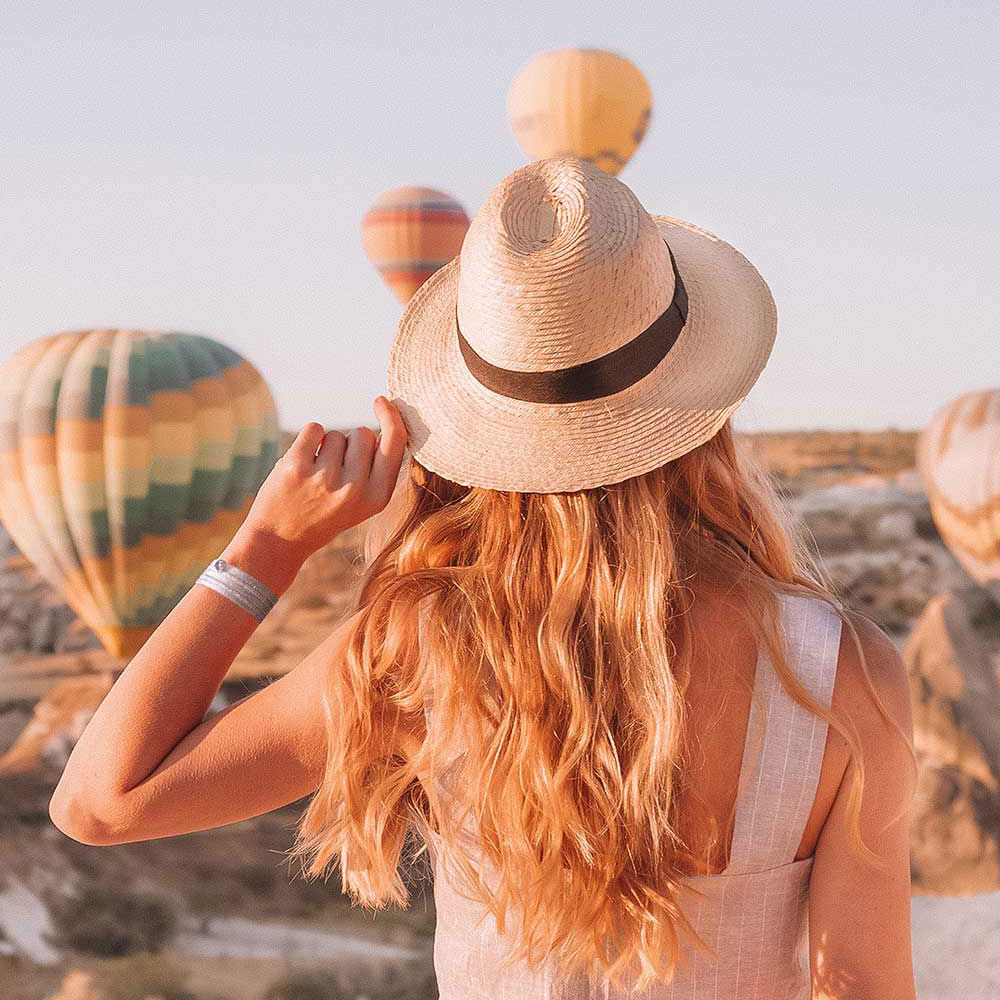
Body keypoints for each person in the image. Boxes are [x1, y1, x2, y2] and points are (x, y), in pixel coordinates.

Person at [49, 158, 916, 999]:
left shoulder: (422, 642)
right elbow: (866, 987)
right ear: (705, 410)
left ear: (481, 426)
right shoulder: (846, 671)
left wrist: (265, 548)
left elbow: (100, 804)